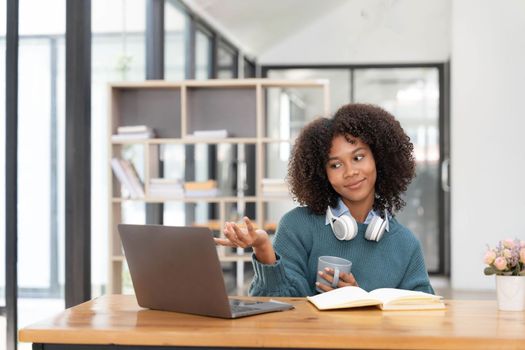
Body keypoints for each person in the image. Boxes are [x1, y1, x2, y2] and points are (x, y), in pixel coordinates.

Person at [215, 103, 434, 296]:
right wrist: (263, 248)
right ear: (323, 173)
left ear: (379, 158)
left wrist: (362, 301)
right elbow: (274, 305)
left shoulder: (405, 244)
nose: (350, 172)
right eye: (336, 165)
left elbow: (423, 313)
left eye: (358, 157)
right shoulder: (296, 227)